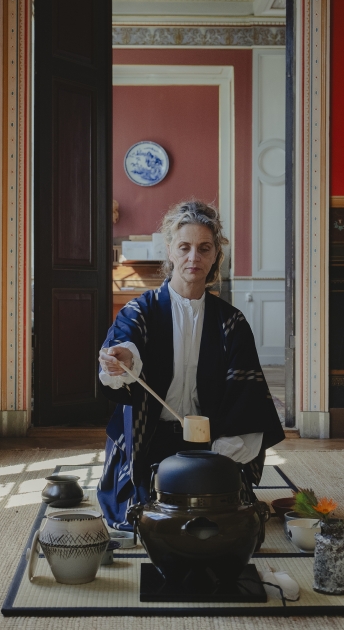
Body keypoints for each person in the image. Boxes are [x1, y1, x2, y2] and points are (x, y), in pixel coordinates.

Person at [96, 200, 285, 530]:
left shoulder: (231, 322)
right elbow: (125, 342)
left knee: (217, 512)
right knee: (146, 512)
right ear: (170, 250)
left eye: (203, 248)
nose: (193, 257)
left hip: (210, 442)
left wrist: (219, 455)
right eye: (184, 247)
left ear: (215, 255)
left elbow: (248, 399)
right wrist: (124, 359)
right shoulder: (140, 310)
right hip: (150, 439)